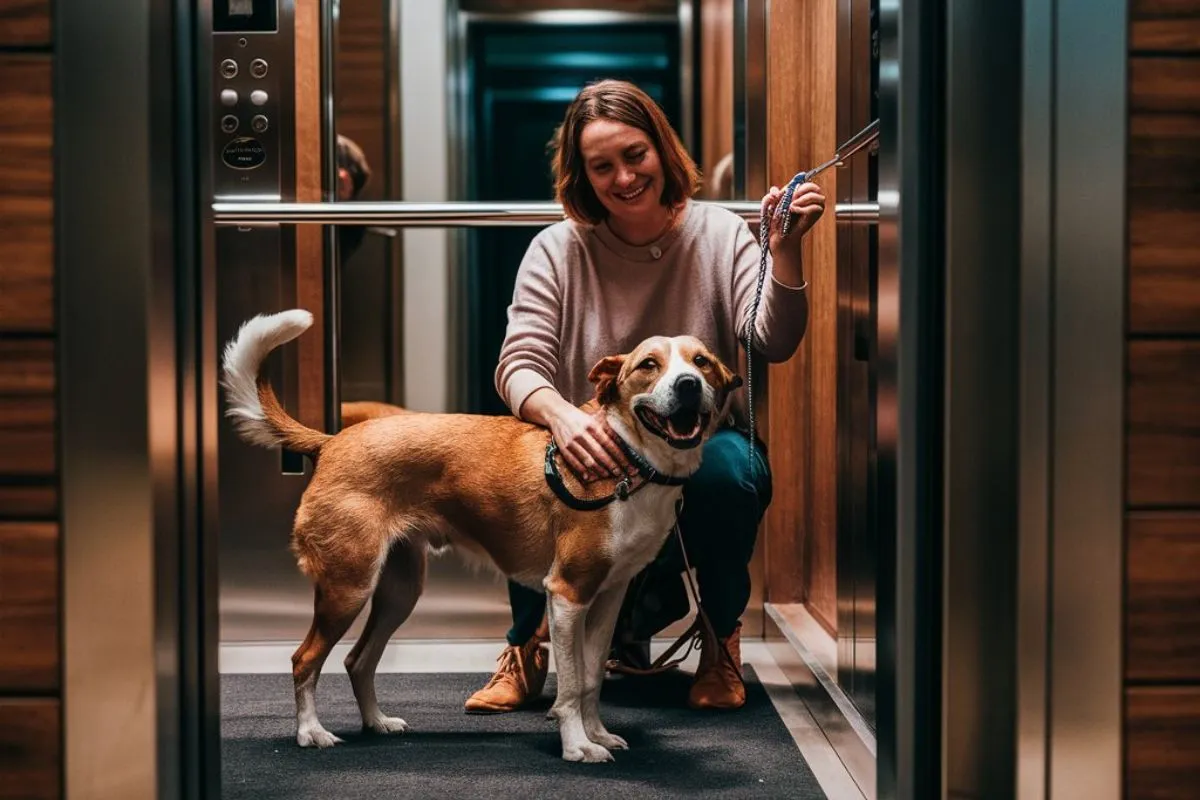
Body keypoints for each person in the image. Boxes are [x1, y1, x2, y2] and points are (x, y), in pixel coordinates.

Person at [464, 79, 825, 713]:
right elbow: (518, 364)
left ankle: (719, 642)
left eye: (636, 155)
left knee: (729, 474)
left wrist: (786, 247)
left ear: (662, 149)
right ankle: (528, 645)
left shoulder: (719, 233)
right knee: (539, 465)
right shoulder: (557, 247)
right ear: (582, 175)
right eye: (601, 166)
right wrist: (563, 419)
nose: (624, 177)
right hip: (597, 440)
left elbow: (773, 339)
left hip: (699, 441)